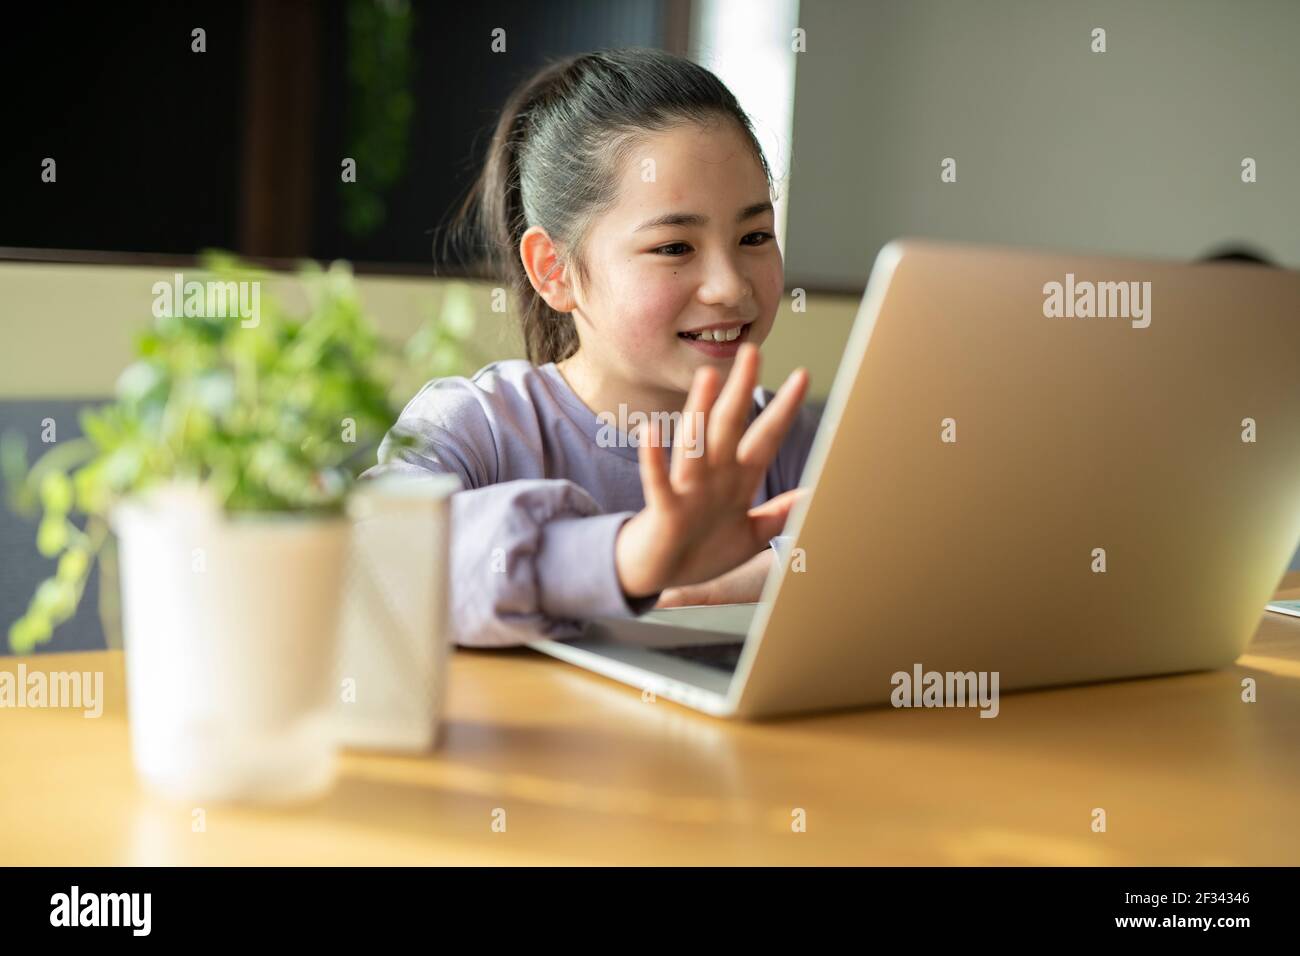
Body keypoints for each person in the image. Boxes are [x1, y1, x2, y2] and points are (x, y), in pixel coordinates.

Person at [365, 48, 820, 647]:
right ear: (554, 270)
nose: (731, 286)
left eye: (755, 236)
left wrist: (776, 569)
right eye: (675, 247)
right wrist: (631, 557)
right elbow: (374, 558)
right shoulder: (476, 429)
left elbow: (921, 553)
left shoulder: (792, 441)